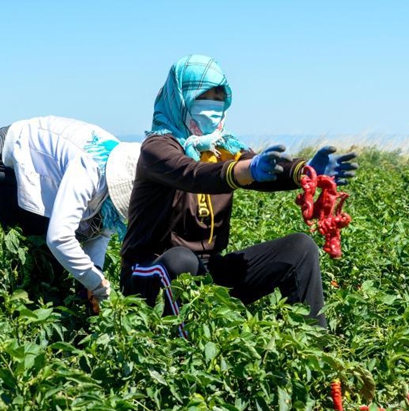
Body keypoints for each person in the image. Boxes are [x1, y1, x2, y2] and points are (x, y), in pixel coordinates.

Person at [119, 55, 358, 328]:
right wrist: (244, 171)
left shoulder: (225, 147)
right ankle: (184, 354)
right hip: (148, 273)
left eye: (219, 96)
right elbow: (193, 175)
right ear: (180, 97)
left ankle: (317, 345)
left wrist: (305, 172)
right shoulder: (158, 148)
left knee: (300, 248)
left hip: (207, 270)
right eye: (204, 95)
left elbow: (265, 173)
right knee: (181, 260)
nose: (213, 104)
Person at [0, 115, 140, 311]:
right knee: (38, 256)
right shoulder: (89, 168)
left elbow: (100, 230)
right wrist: (96, 284)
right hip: (7, 161)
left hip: (44, 166)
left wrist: (95, 273)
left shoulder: (119, 166)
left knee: (66, 265)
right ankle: (21, 313)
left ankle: (72, 309)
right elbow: (59, 238)